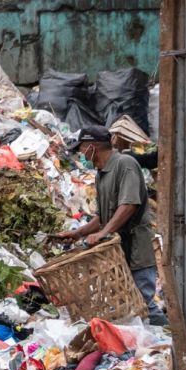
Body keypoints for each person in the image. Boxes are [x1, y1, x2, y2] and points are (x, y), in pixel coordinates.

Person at [57, 125, 167, 325]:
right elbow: (102, 216)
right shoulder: (102, 173)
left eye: (81, 149)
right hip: (119, 252)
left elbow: (129, 205)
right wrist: (78, 233)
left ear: (92, 147)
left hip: (136, 248)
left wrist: (103, 234)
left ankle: (168, 344)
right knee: (128, 305)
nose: (80, 154)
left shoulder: (125, 164)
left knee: (144, 305)